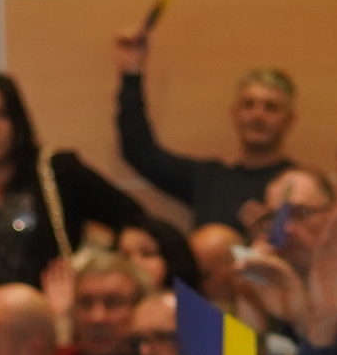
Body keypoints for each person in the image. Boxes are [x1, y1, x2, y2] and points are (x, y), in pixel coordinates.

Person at [0, 71, 144, 291]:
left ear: (18, 122)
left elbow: (132, 217)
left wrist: (106, 263)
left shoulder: (58, 172)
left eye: (1, 115)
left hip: (50, 311)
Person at [115, 26, 299, 232]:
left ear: (289, 120)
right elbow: (139, 150)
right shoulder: (209, 180)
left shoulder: (300, 186)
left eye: (271, 107)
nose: (258, 115)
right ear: (235, 113)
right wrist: (131, 72)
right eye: (248, 105)